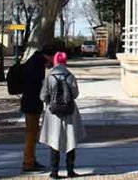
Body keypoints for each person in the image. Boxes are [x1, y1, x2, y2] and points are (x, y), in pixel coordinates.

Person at [40, 51, 86, 179]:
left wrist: (49, 101)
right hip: (69, 112)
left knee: (54, 141)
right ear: (65, 61)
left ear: (54, 61)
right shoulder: (70, 75)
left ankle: (54, 172)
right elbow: (75, 94)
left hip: (53, 113)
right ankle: (70, 171)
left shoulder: (49, 76)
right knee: (70, 140)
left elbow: (42, 95)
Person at [21, 45, 55, 173]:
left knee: (32, 133)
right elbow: (37, 87)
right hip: (32, 104)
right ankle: (28, 163)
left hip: (29, 102)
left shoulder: (34, 61)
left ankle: (31, 160)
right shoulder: (37, 64)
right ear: (49, 56)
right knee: (31, 134)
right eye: (53, 59)